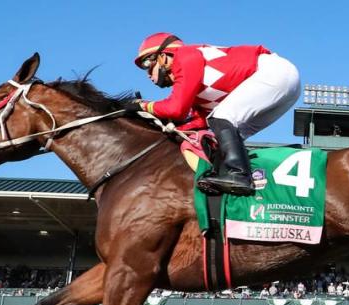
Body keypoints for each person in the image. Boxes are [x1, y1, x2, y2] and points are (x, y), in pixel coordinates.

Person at [127, 32, 301, 196]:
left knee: (222, 117)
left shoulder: (184, 56)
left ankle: (238, 175)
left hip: (275, 73)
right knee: (227, 133)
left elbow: (176, 109)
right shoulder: (195, 86)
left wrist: (143, 106)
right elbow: (197, 122)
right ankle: (241, 179)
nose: (148, 75)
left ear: (164, 56)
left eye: (148, 65)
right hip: (286, 86)